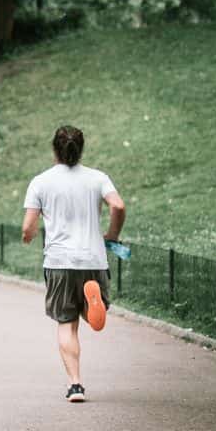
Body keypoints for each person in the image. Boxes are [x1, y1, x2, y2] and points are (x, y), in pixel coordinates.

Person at [22, 125, 125, 403]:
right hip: (93, 259)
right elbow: (118, 206)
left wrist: (28, 235)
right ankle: (95, 305)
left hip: (60, 261)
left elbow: (28, 226)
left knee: (66, 323)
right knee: (91, 314)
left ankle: (75, 385)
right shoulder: (98, 178)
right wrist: (113, 235)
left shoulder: (41, 182)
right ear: (81, 149)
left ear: (54, 148)